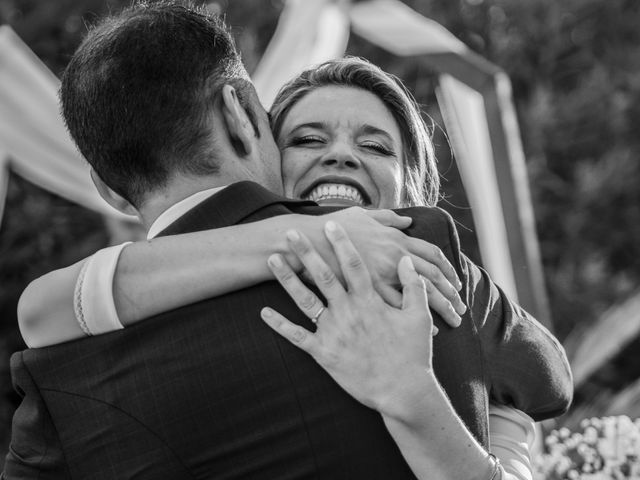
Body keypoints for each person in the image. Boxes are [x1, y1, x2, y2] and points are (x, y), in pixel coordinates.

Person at [4, 3, 571, 479]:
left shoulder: (429, 267)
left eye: (376, 146)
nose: (341, 155)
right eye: (305, 137)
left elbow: (546, 380)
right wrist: (308, 232)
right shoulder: (423, 252)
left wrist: (438, 404)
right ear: (246, 115)